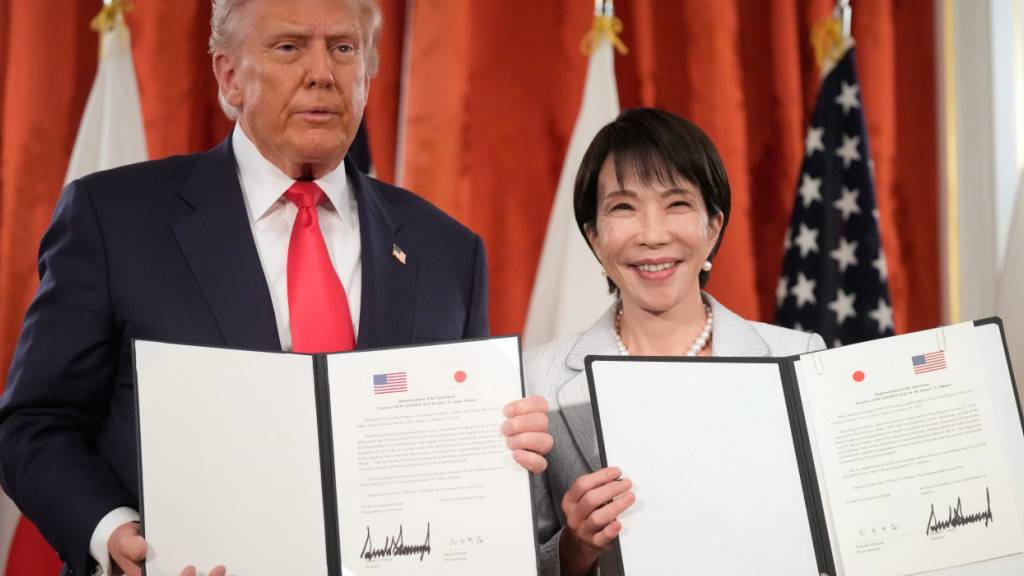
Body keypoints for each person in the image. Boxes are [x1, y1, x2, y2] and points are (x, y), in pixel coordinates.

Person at [0, 1, 550, 575]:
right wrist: (114, 533)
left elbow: (450, 449)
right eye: (288, 47)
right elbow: (35, 423)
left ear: (367, 73)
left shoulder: (449, 252)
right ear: (230, 77)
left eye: (343, 48)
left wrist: (500, 445)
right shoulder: (114, 218)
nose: (322, 72)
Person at [524, 108, 827, 576]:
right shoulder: (535, 380)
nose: (652, 234)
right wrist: (575, 547)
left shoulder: (800, 359)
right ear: (594, 238)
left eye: (678, 204)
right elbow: (512, 561)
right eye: (623, 207)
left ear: (713, 227)